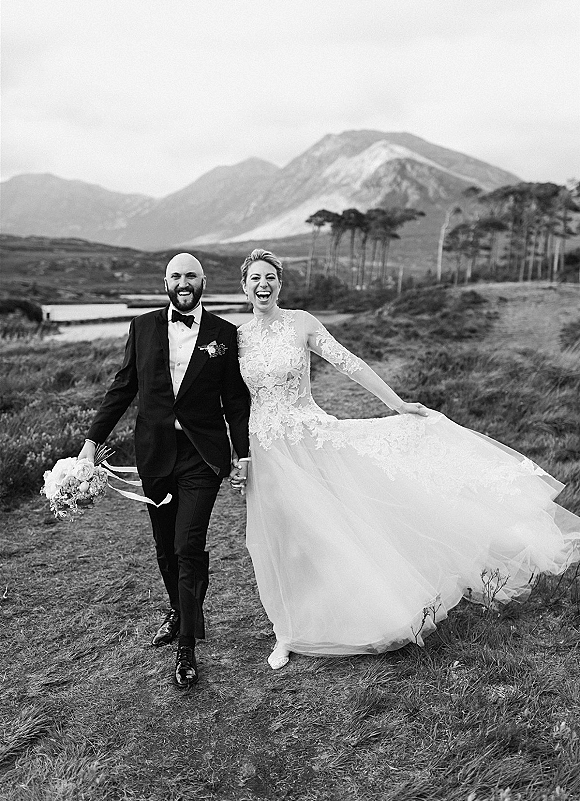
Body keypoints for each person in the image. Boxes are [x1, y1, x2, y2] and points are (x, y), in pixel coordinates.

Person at [232, 249, 580, 670]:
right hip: (266, 448)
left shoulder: (301, 323)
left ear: (280, 284)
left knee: (327, 528)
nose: (263, 284)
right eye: (255, 278)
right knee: (280, 539)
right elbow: (229, 400)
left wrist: (396, 403)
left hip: (309, 439)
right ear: (244, 286)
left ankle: (349, 610)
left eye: (270, 277)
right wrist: (233, 454)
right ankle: (286, 631)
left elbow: (350, 364)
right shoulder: (238, 337)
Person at [79, 253, 250, 687]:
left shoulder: (224, 334)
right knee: (164, 546)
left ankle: (187, 646)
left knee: (188, 544)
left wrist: (242, 455)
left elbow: (235, 401)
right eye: (176, 275)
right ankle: (177, 609)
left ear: (204, 282)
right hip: (154, 453)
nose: (184, 282)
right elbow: (123, 387)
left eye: (191, 275)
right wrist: (91, 441)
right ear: (166, 282)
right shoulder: (142, 326)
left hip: (202, 455)